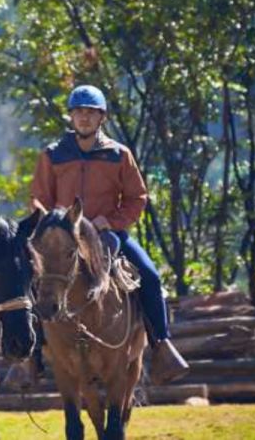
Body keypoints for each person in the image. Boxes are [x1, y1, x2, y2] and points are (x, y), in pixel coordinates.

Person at [27, 84, 189, 384]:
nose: (84, 118)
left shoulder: (118, 155)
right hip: (63, 240)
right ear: (71, 117)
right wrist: (55, 223)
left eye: (91, 113)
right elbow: (39, 199)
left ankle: (162, 346)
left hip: (108, 235)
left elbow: (137, 198)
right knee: (30, 279)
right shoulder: (52, 155)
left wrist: (109, 221)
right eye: (79, 112)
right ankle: (30, 357)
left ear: (102, 118)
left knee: (150, 276)